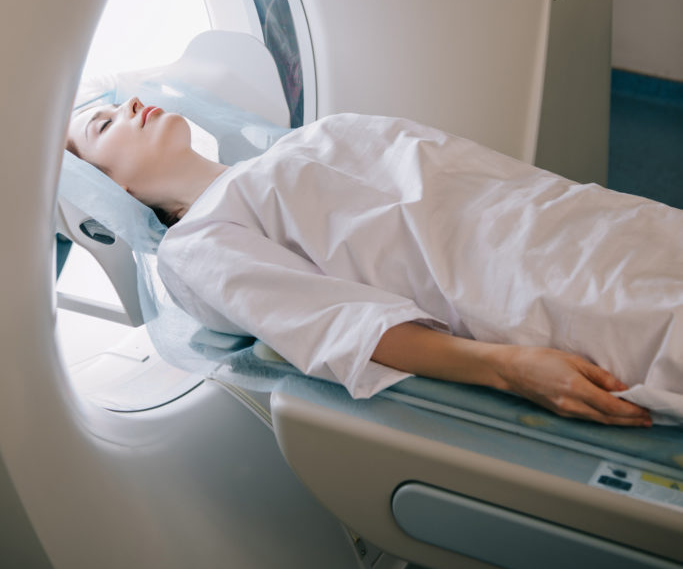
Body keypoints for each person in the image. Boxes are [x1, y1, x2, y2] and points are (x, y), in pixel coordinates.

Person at [67, 97, 683, 426]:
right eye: (104, 123)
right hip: (541, 289)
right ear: (108, 192)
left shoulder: (303, 142)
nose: (132, 104)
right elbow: (344, 326)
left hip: (583, 223)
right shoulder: (198, 245)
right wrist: (513, 369)